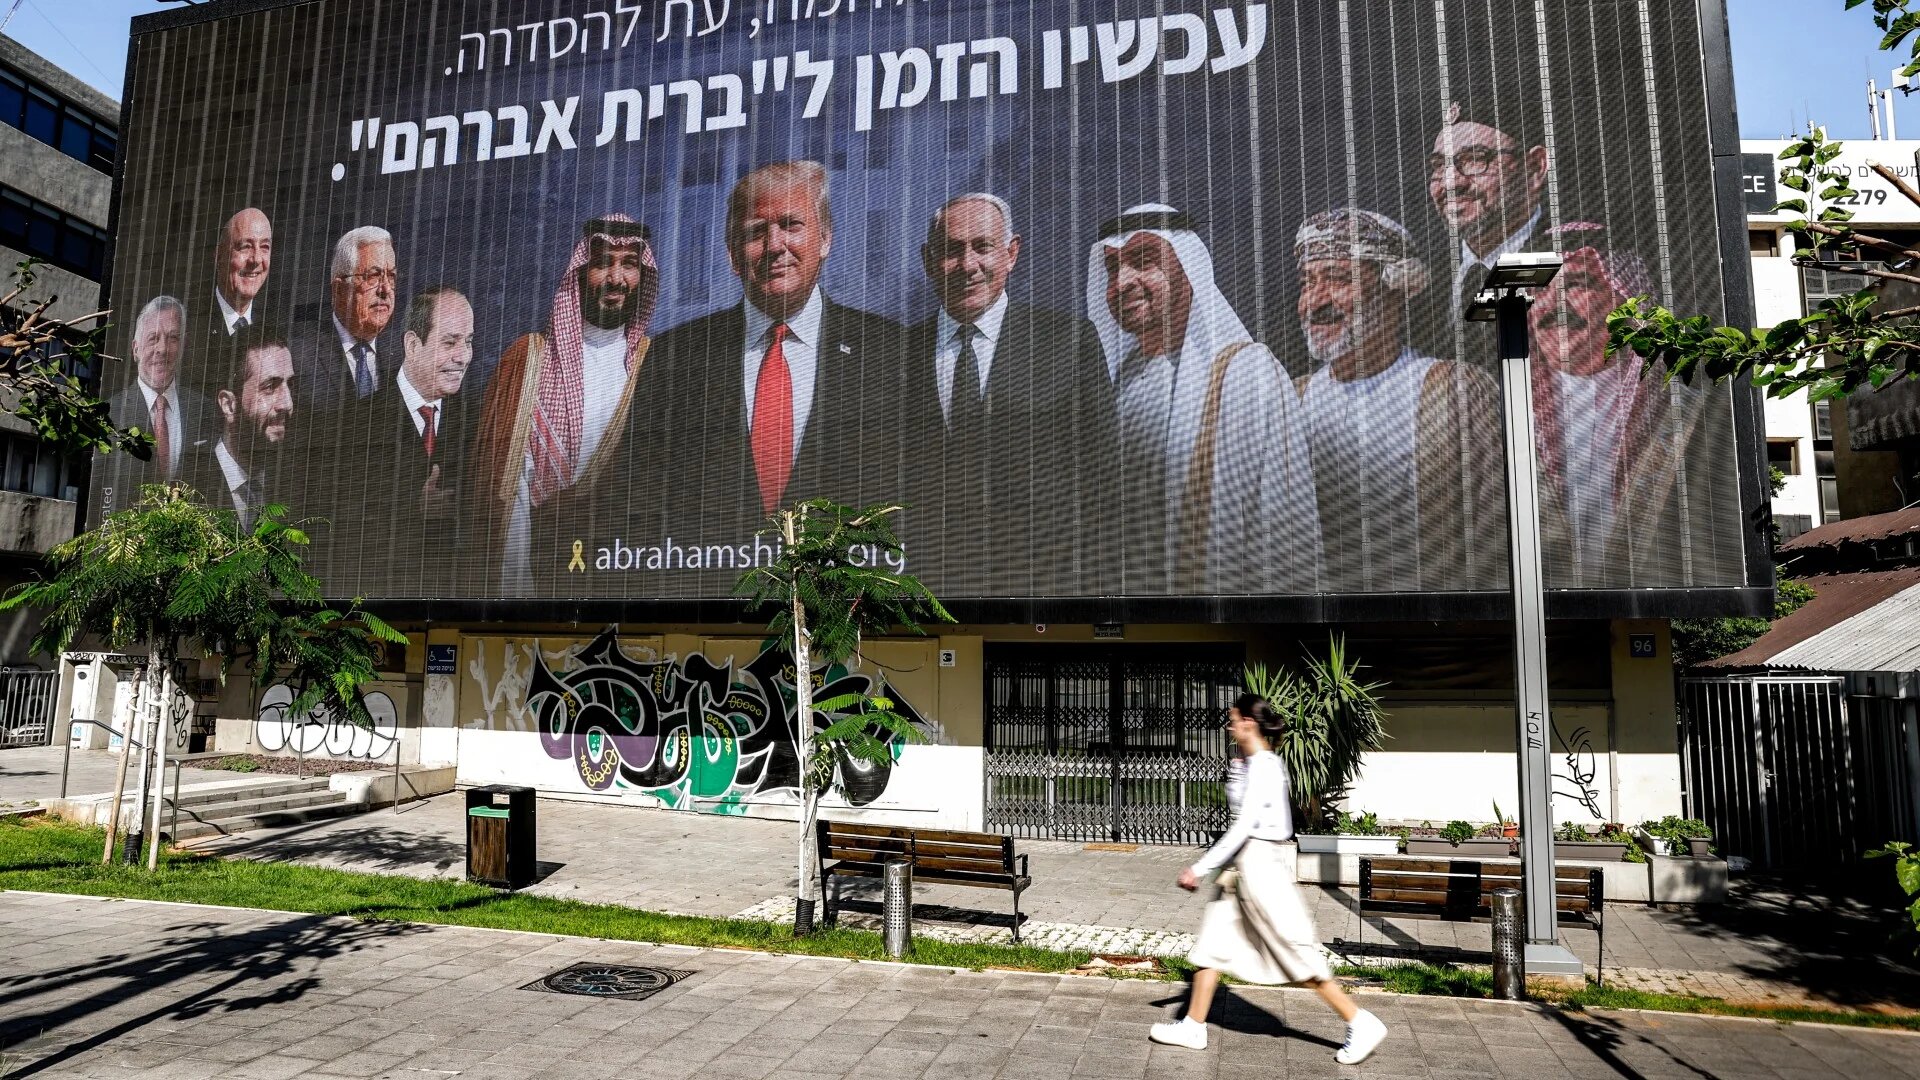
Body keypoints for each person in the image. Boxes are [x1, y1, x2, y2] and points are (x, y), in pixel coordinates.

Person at [625, 160, 902, 570]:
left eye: (791, 225)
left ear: (826, 239)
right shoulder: (672, 356)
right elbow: (639, 503)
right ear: (733, 255)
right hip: (706, 596)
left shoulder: (891, 349)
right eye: (756, 232)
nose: (775, 245)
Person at [1086, 204, 1320, 595]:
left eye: (1144, 260)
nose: (1123, 281)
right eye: (1112, 268)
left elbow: (1286, 529)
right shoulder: (1111, 385)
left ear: (1188, 268)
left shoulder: (1246, 373)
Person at [1149, 694, 1387, 1065]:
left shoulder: (1266, 767)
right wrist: (1237, 772)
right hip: (1244, 867)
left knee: (1292, 950)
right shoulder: (1251, 764)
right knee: (1213, 942)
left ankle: (1360, 1021)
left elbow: (1244, 826)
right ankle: (1194, 1024)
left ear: (1248, 723)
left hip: (1262, 865)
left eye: (1233, 720)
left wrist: (1200, 866)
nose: (1228, 726)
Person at [904, 193, 1116, 595]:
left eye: (982, 247)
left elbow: (1102, 473)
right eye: (952, 251)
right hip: (926, 584)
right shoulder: (898, 352)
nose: (968, 265)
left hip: (1043, 583)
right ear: (928, 260)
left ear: (1011, 253)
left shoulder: (1068, 341)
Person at [1292, 207, 1506, 592]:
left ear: (1396, 288)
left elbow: (1493, 539)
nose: (1316, 300)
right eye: (1308, 282)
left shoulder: (1454, 390)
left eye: (1339, 278)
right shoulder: (1291, 397)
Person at [472, 216, 658, 595]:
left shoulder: (655, 363)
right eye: (602, 262)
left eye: (629, 265)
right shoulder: (528, 361)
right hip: (533, 571)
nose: (616, 278)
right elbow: (507, 491)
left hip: (624, 572)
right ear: (580, 270)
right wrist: (517, 598)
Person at [1528, 221, 1684, 586]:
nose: (1555, 303)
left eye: (1578, 285)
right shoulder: (1503, 409)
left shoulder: (1680, 411)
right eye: (1540, 289)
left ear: (1622, 298)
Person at [342, 287, 475, 586]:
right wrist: (413, 510)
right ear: (413, 345)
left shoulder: (477, 419)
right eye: (450, 342)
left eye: (468, 342)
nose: (463, 357)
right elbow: (340, 525)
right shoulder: (354, 423)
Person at [1428, 99, 1550, 324]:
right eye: (1438, 165)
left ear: (1534, 168)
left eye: (1475, 159)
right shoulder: (1428, 275)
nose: (1451, 182)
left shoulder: (1579, 263)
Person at [178, 325, 294, 532]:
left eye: (290, 385)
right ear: (229, 405)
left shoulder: (298, 482)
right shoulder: (186, 485)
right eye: (270, 387)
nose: (287, 403)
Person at [291, 226, 399, 421]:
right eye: (373, 276)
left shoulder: (405, 355)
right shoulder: (297, 354)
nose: (385, 289)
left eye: (391, 276)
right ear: (340, 289)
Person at [109, 295, 209, 485]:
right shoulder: (111, 414)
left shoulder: (205, 411)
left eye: (173, 338)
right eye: (153, 338)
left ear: (182, 346)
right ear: (135, 349)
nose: (162, 349)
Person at [206, 208, 272, 338]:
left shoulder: (277, 324)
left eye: (264, 247)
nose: (257, 259)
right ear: (219, 257)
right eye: (245, 246)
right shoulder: (186, 326)